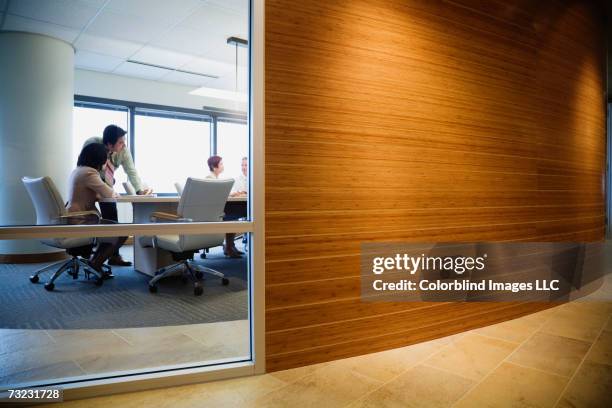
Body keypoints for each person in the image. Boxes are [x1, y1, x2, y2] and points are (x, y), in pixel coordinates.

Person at [83, 125, 152, 266]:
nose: (124, 144)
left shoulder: (123, 151)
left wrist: (139, 190)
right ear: (109, 143)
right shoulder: (93, 144)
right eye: (120, 142)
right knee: (90, 218)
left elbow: (131, 171)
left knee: (112, 220)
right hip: (90, 185)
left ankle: (112, 255)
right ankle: (90, 255)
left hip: (106, 187)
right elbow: (86, 166)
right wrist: (102, 183)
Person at [66, 143, 127, 277]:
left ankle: (94, 262)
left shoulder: (78, 170)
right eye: (105, 158)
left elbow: (94, 193)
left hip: (74, 217)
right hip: (82, 220)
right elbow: (109, 194)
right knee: (122, 232)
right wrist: (112, 192)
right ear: (99, 159)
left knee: (113, 229)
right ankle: (95, 264)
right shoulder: (89, 173)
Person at [206, 155, 243, 258]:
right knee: (233, 215)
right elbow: (217, 195)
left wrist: (232, 194)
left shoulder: (215, 178)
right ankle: (229, 247)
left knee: (234, 215)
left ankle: (230, 245)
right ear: (214, 167)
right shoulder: (210, 178)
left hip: (217, 208)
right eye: (221, 163)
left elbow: (219, 193)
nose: (223, 166)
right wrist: (231, 194)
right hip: (213, 211)